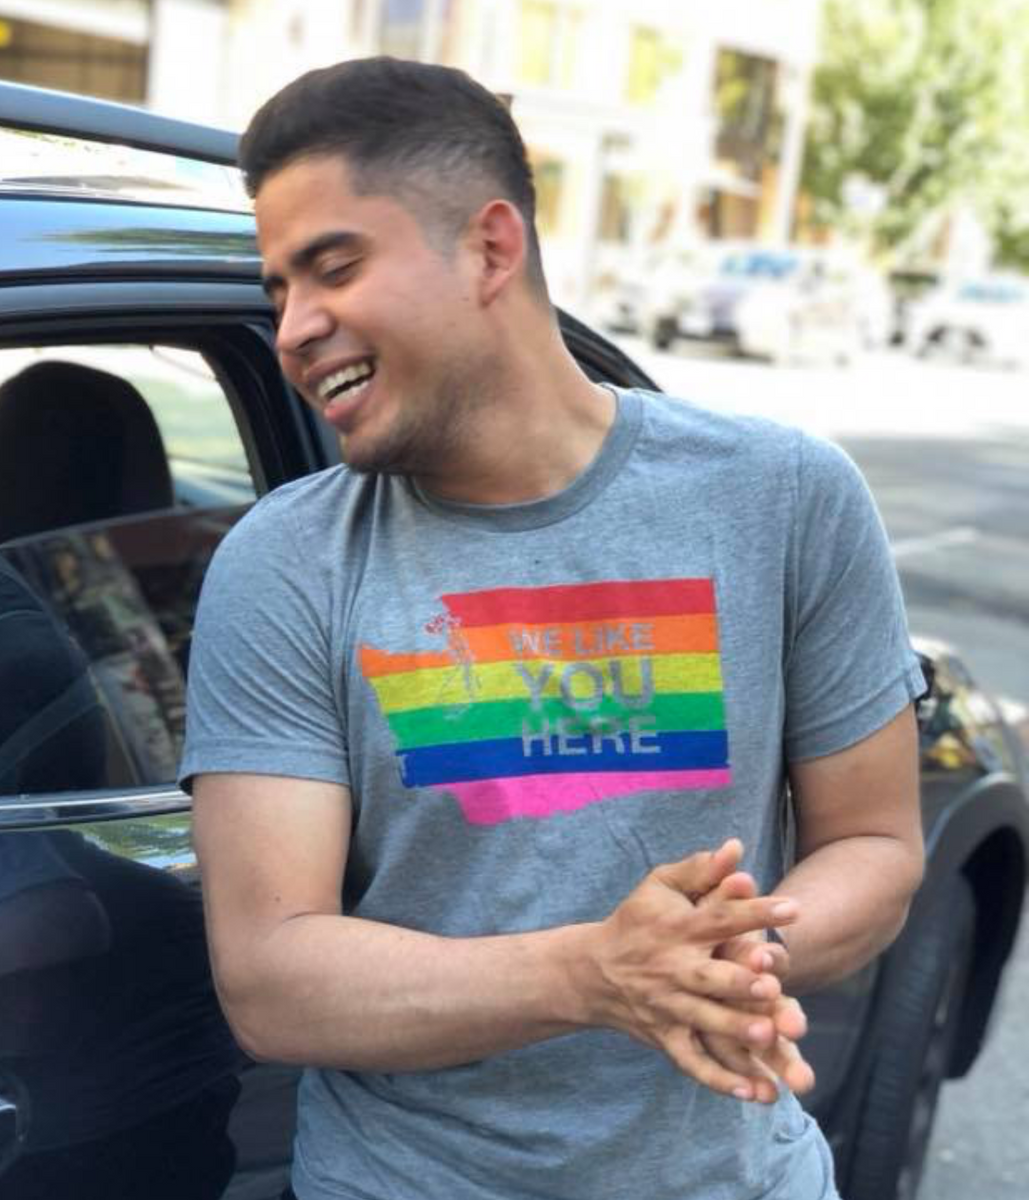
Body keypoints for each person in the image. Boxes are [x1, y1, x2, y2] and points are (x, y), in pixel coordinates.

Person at [181, 57, 925, 1200]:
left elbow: (874, 847)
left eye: (333, 269)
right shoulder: (284, 566)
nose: (293, 327)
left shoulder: (782, 495)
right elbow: (273, 977)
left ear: (490, 246)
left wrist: (723, 964)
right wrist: (594, 972)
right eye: (278, 288)